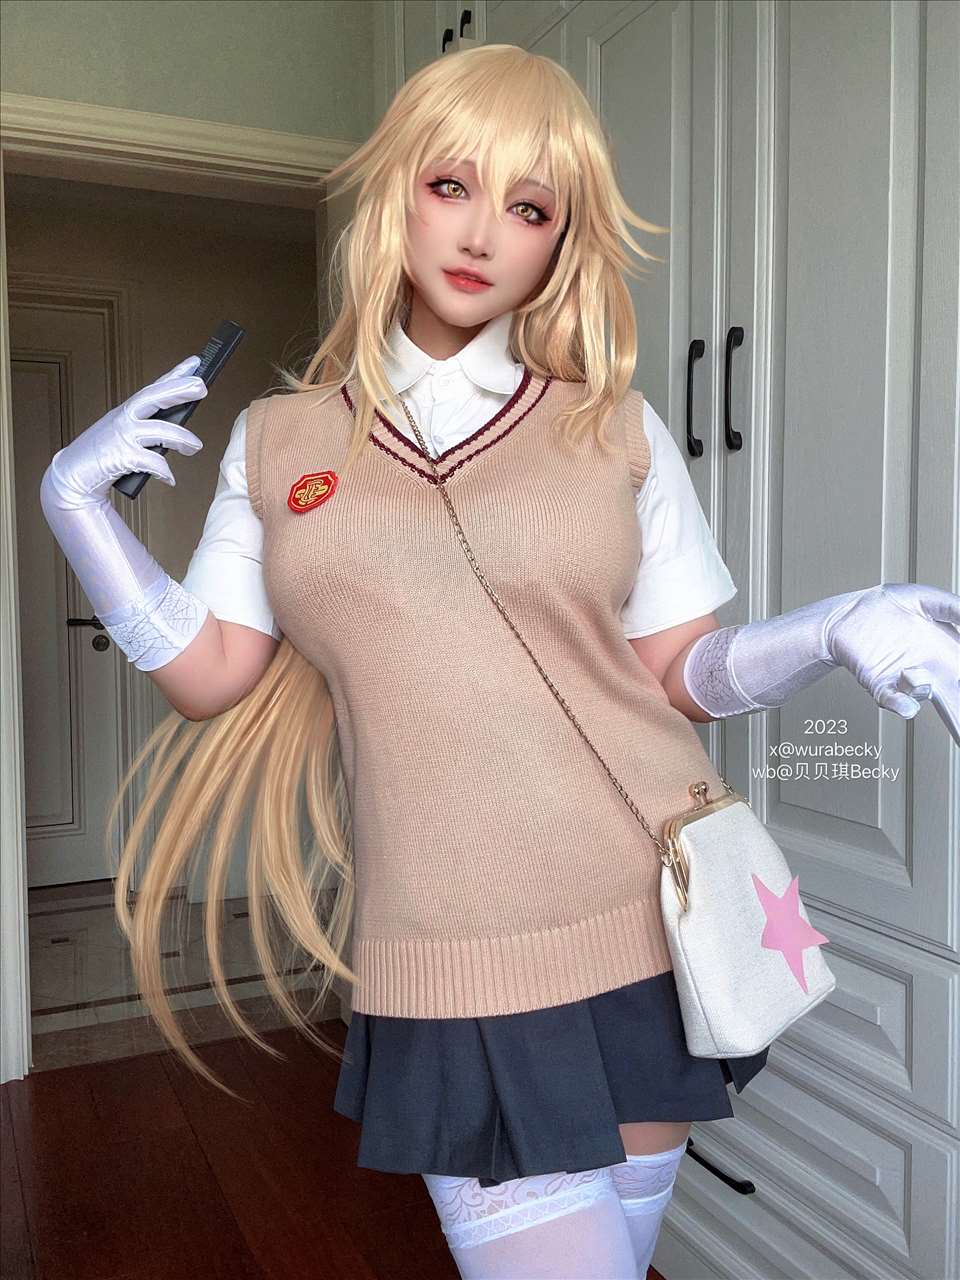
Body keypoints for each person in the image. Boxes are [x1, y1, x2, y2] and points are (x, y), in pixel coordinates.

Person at [38, 43, 959, 1280]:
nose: (481, 233)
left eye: (530, 208)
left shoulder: (615, 426)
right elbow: (207, 671)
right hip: (449, 953)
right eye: (450, 185)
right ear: (397, 195)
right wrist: (74, 508)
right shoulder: (278, 441)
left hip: (654, 919)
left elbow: (679, 672)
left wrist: (831, 628)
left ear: (561, 241)